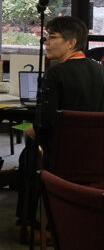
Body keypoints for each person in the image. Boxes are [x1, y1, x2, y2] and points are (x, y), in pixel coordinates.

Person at [15, 16, 104, 232]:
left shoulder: (55, 73)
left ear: (71, 43)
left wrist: (31, 130)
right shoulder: (100, 70)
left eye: (52, 37)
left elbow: (45, 124)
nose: (45, 43)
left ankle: (27, 224)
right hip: (96, 157)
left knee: (29, 153)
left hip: (63, 159)